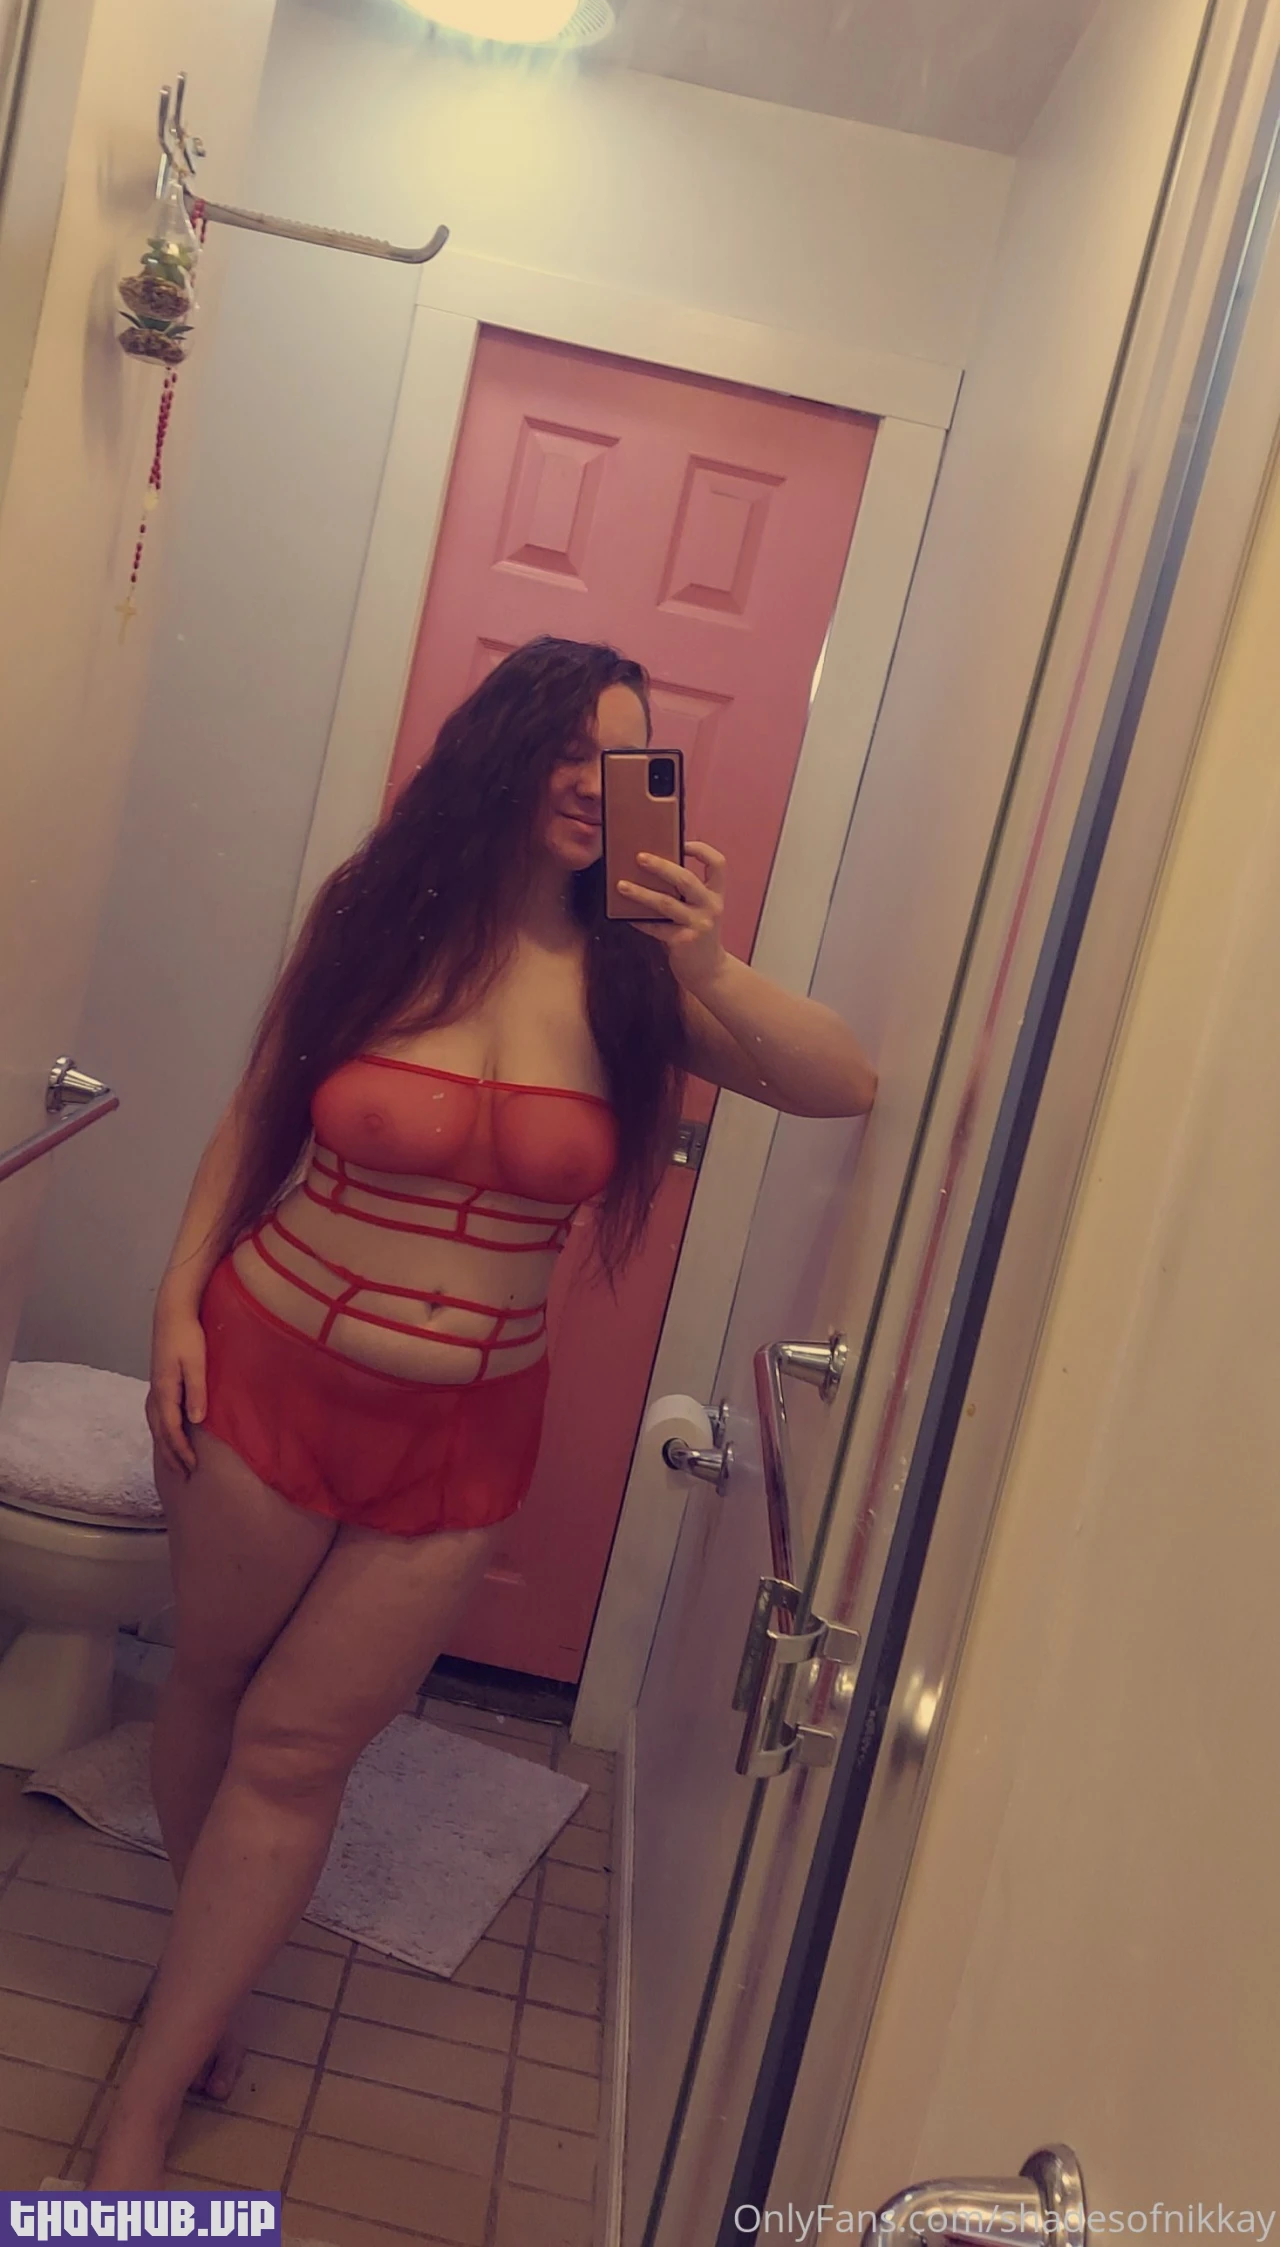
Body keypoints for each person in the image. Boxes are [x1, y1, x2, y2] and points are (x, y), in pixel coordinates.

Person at [90, 635, 876, 2185]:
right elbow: (254, 1115)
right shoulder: (382, 916)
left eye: (625, 761)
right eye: (568, 749)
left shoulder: (643, 985)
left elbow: (842, 1079)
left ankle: (154, 2075)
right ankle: (180, 2027)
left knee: (298, 1753)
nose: (593, 784)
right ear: (504, 751)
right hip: (270, 1367)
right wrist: (175, 1303)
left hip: (461, 1435)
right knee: (215, 1686)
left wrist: (710, 967)